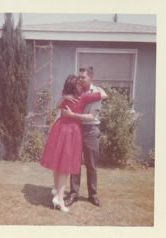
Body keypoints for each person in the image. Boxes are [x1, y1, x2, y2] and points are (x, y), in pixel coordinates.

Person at [40, 74, 107, 212]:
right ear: (75, 86)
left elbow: (58, 105)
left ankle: (57, 191)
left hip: (59, 128)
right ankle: (59, 199)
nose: (81, 84)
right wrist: (97, 87)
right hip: (71, 130)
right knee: (65, 165)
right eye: (79, 82)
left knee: (59, 162)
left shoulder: (66, 96)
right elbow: (104, 95)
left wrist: (64, 96)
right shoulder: (83, 96)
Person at [62, 66, 107, 207]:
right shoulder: (76, 90)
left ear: (90, 77)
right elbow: (63, 97)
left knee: (91, 165)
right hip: (76, 129)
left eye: (83, 77)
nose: (80, 79)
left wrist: (72, 116)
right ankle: (73, 193)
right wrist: (64, 96)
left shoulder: (97, 92)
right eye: (79, 77)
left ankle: (92, 195)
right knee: (75, 163)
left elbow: (91, 116)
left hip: (91, 130)